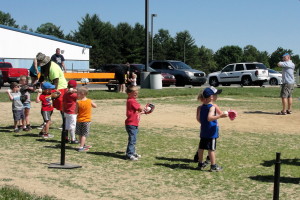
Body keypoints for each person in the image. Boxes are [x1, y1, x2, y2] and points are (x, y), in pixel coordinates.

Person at [197, 87, 227, 172]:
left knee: (201, 147)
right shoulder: (212, 107)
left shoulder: (201, 107)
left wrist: (204, 124)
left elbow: (199, 119)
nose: (216, 96)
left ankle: (200, 164)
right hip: (211, 132)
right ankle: (213, 166)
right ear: (211, 97)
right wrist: (220, 116)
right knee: (211, 149)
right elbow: (210, 118)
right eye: (215, 95)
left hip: (203, 130)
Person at [37, 52, 68, 129]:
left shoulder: (53, 68)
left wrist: (52, 95)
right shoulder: (44, 67)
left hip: (60, 87)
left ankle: (65, 123)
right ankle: (46, 122)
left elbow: (56, 83)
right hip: (51, 87)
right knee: (47, 106)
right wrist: (38, 84)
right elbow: (42, 77)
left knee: (61, 106)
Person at [125, 85, 144, 161]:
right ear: (129, 94)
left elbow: (138, 111)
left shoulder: (131, 100)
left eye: (137, 94)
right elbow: (139, 109)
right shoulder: (131, 101)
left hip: (133, 123)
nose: (136, 95)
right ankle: (129, 154)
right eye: (135, 94)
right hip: (131, 123)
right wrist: (146, 109)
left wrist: (142, 112)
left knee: (133, 139)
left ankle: (132, 152)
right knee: (132, 140)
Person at [75, 87, 97, 152]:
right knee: (84, 134)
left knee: (80, 133)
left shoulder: (78, 103)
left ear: (82, 94)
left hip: (79, 120)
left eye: (78, 93)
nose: (77, 95)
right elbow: (95, 106)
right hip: (86, 120)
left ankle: (82, 145)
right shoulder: (89, 101)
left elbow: (75, 112)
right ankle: (81, 147)